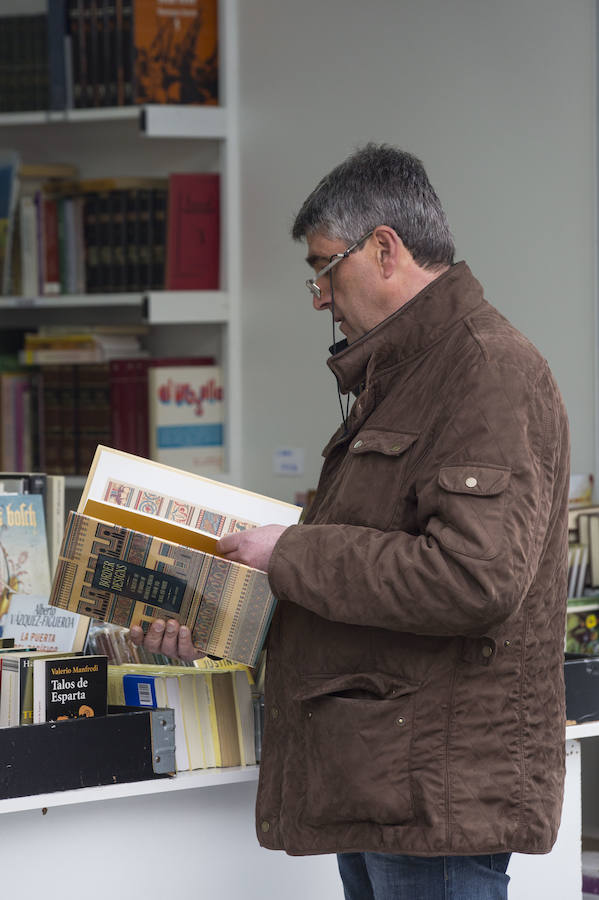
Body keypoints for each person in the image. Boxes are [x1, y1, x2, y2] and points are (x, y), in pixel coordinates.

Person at [130, 143, 570, 900]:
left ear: (385, 248)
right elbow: (369, 583)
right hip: (385, 781)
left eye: (324, 268)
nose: (318, 297)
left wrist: (291, 553)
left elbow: (472, 578)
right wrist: (212, 613)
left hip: (431, 793)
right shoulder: (409, 377)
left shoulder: (486, 371)